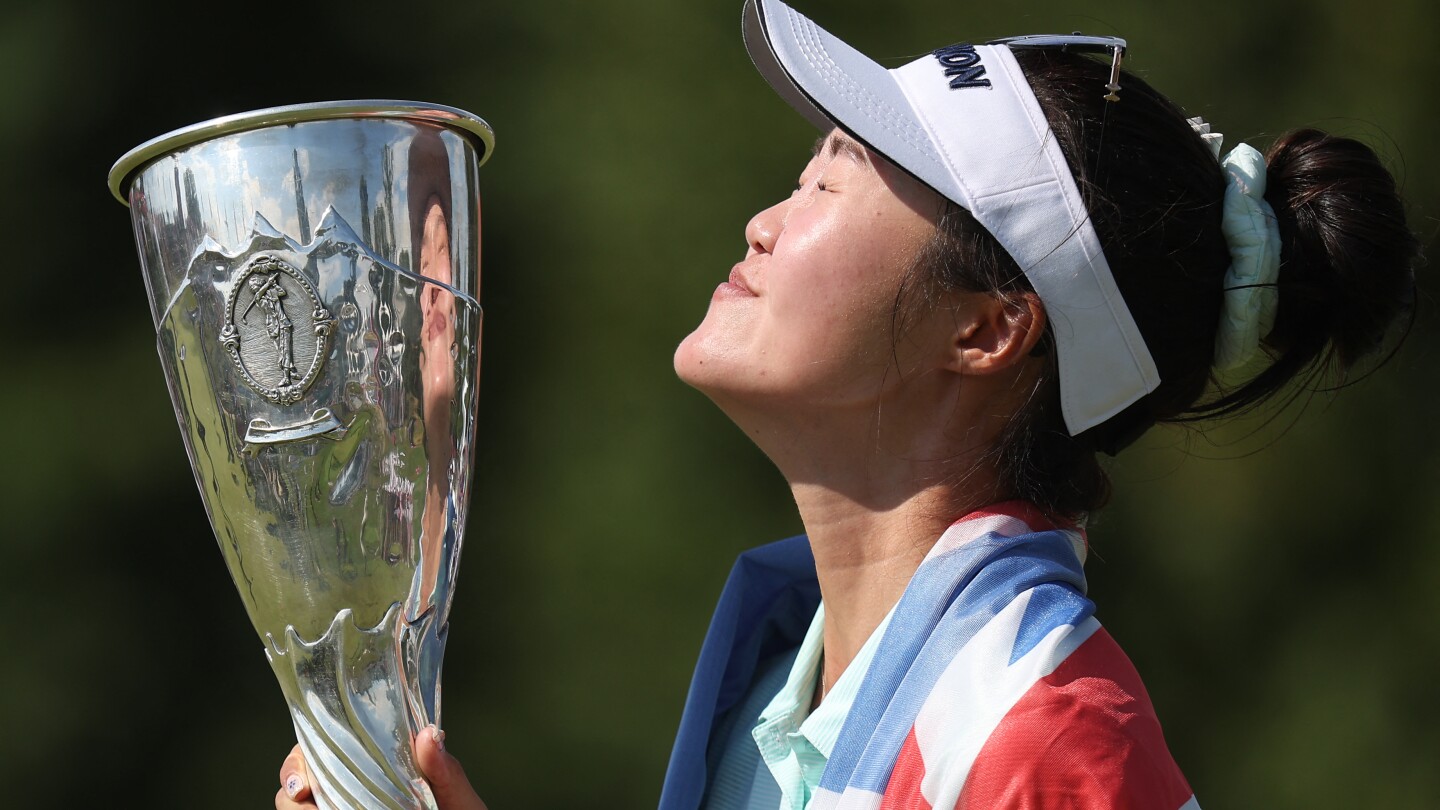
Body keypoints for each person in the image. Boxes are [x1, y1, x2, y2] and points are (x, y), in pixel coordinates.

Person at [276, 0, 1419, 807]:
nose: (764, 221)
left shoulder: (1044, 748)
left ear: (985, 329)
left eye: (832, 177)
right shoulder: (777, 698)